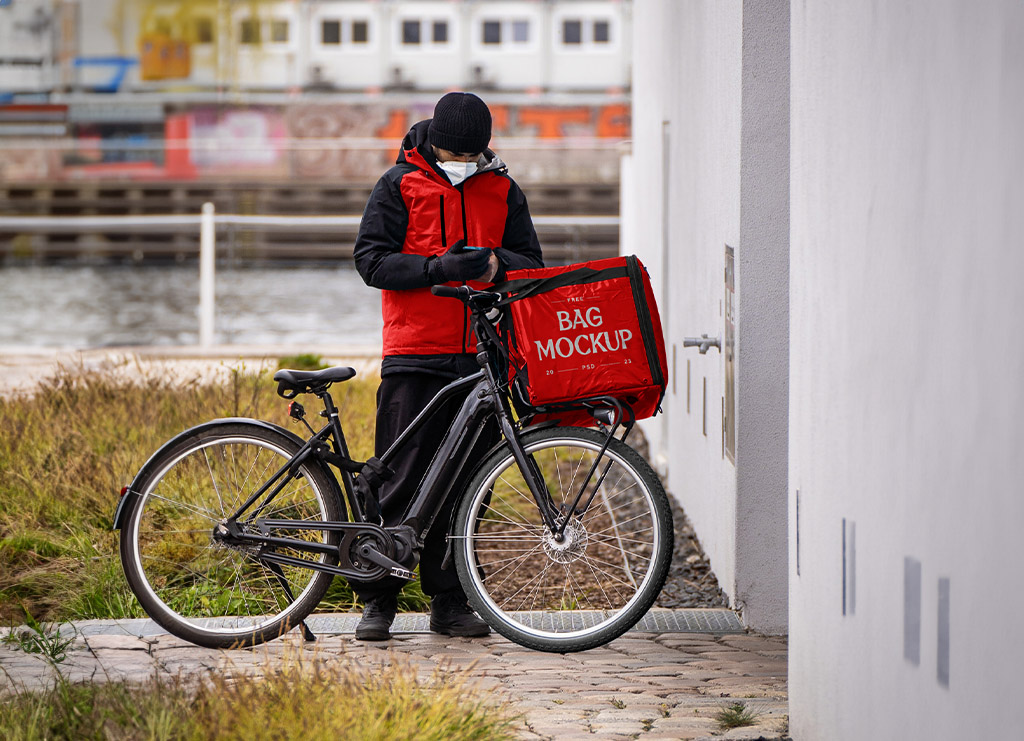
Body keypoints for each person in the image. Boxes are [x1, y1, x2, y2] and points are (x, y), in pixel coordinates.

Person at [352, 92, 544, 640]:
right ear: (432, 142)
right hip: (413, 352)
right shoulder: (398, 184)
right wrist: (436, 266)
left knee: (466, 482)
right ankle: (378, 600)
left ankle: (450, 601)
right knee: (397, 479)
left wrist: (491, 264)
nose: (460, 162)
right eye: (450, 153)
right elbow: (371, 260)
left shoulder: (504, 190)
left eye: (469, 154)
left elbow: (532, 263)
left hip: (483, 354)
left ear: (484, 149)